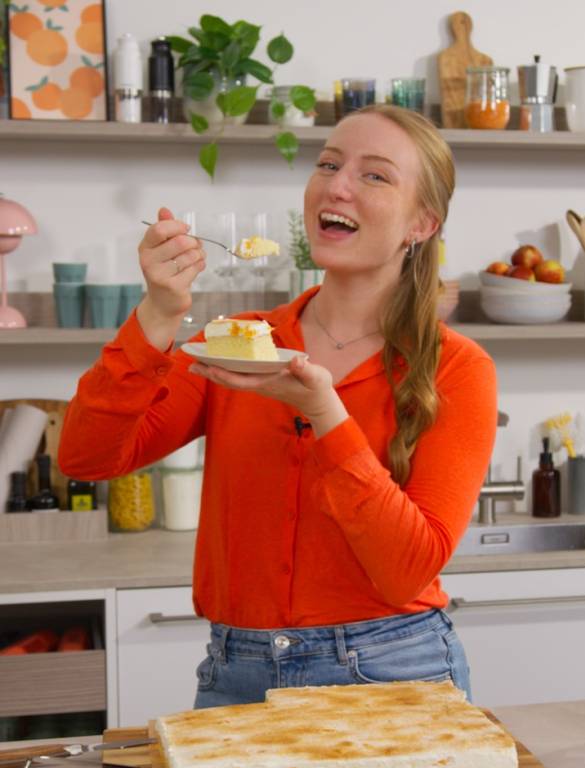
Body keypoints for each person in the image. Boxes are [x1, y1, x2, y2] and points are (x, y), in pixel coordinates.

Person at [58, 104, 498, 708]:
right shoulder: (239, 342)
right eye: (328, 164)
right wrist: (159, 311)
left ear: (421, 223)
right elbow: (87, 456)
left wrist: (327, 416)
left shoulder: (457, 368)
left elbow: (407, 570)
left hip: (397, 671)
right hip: (238, 670)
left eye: (374, 175)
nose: (336, 185)